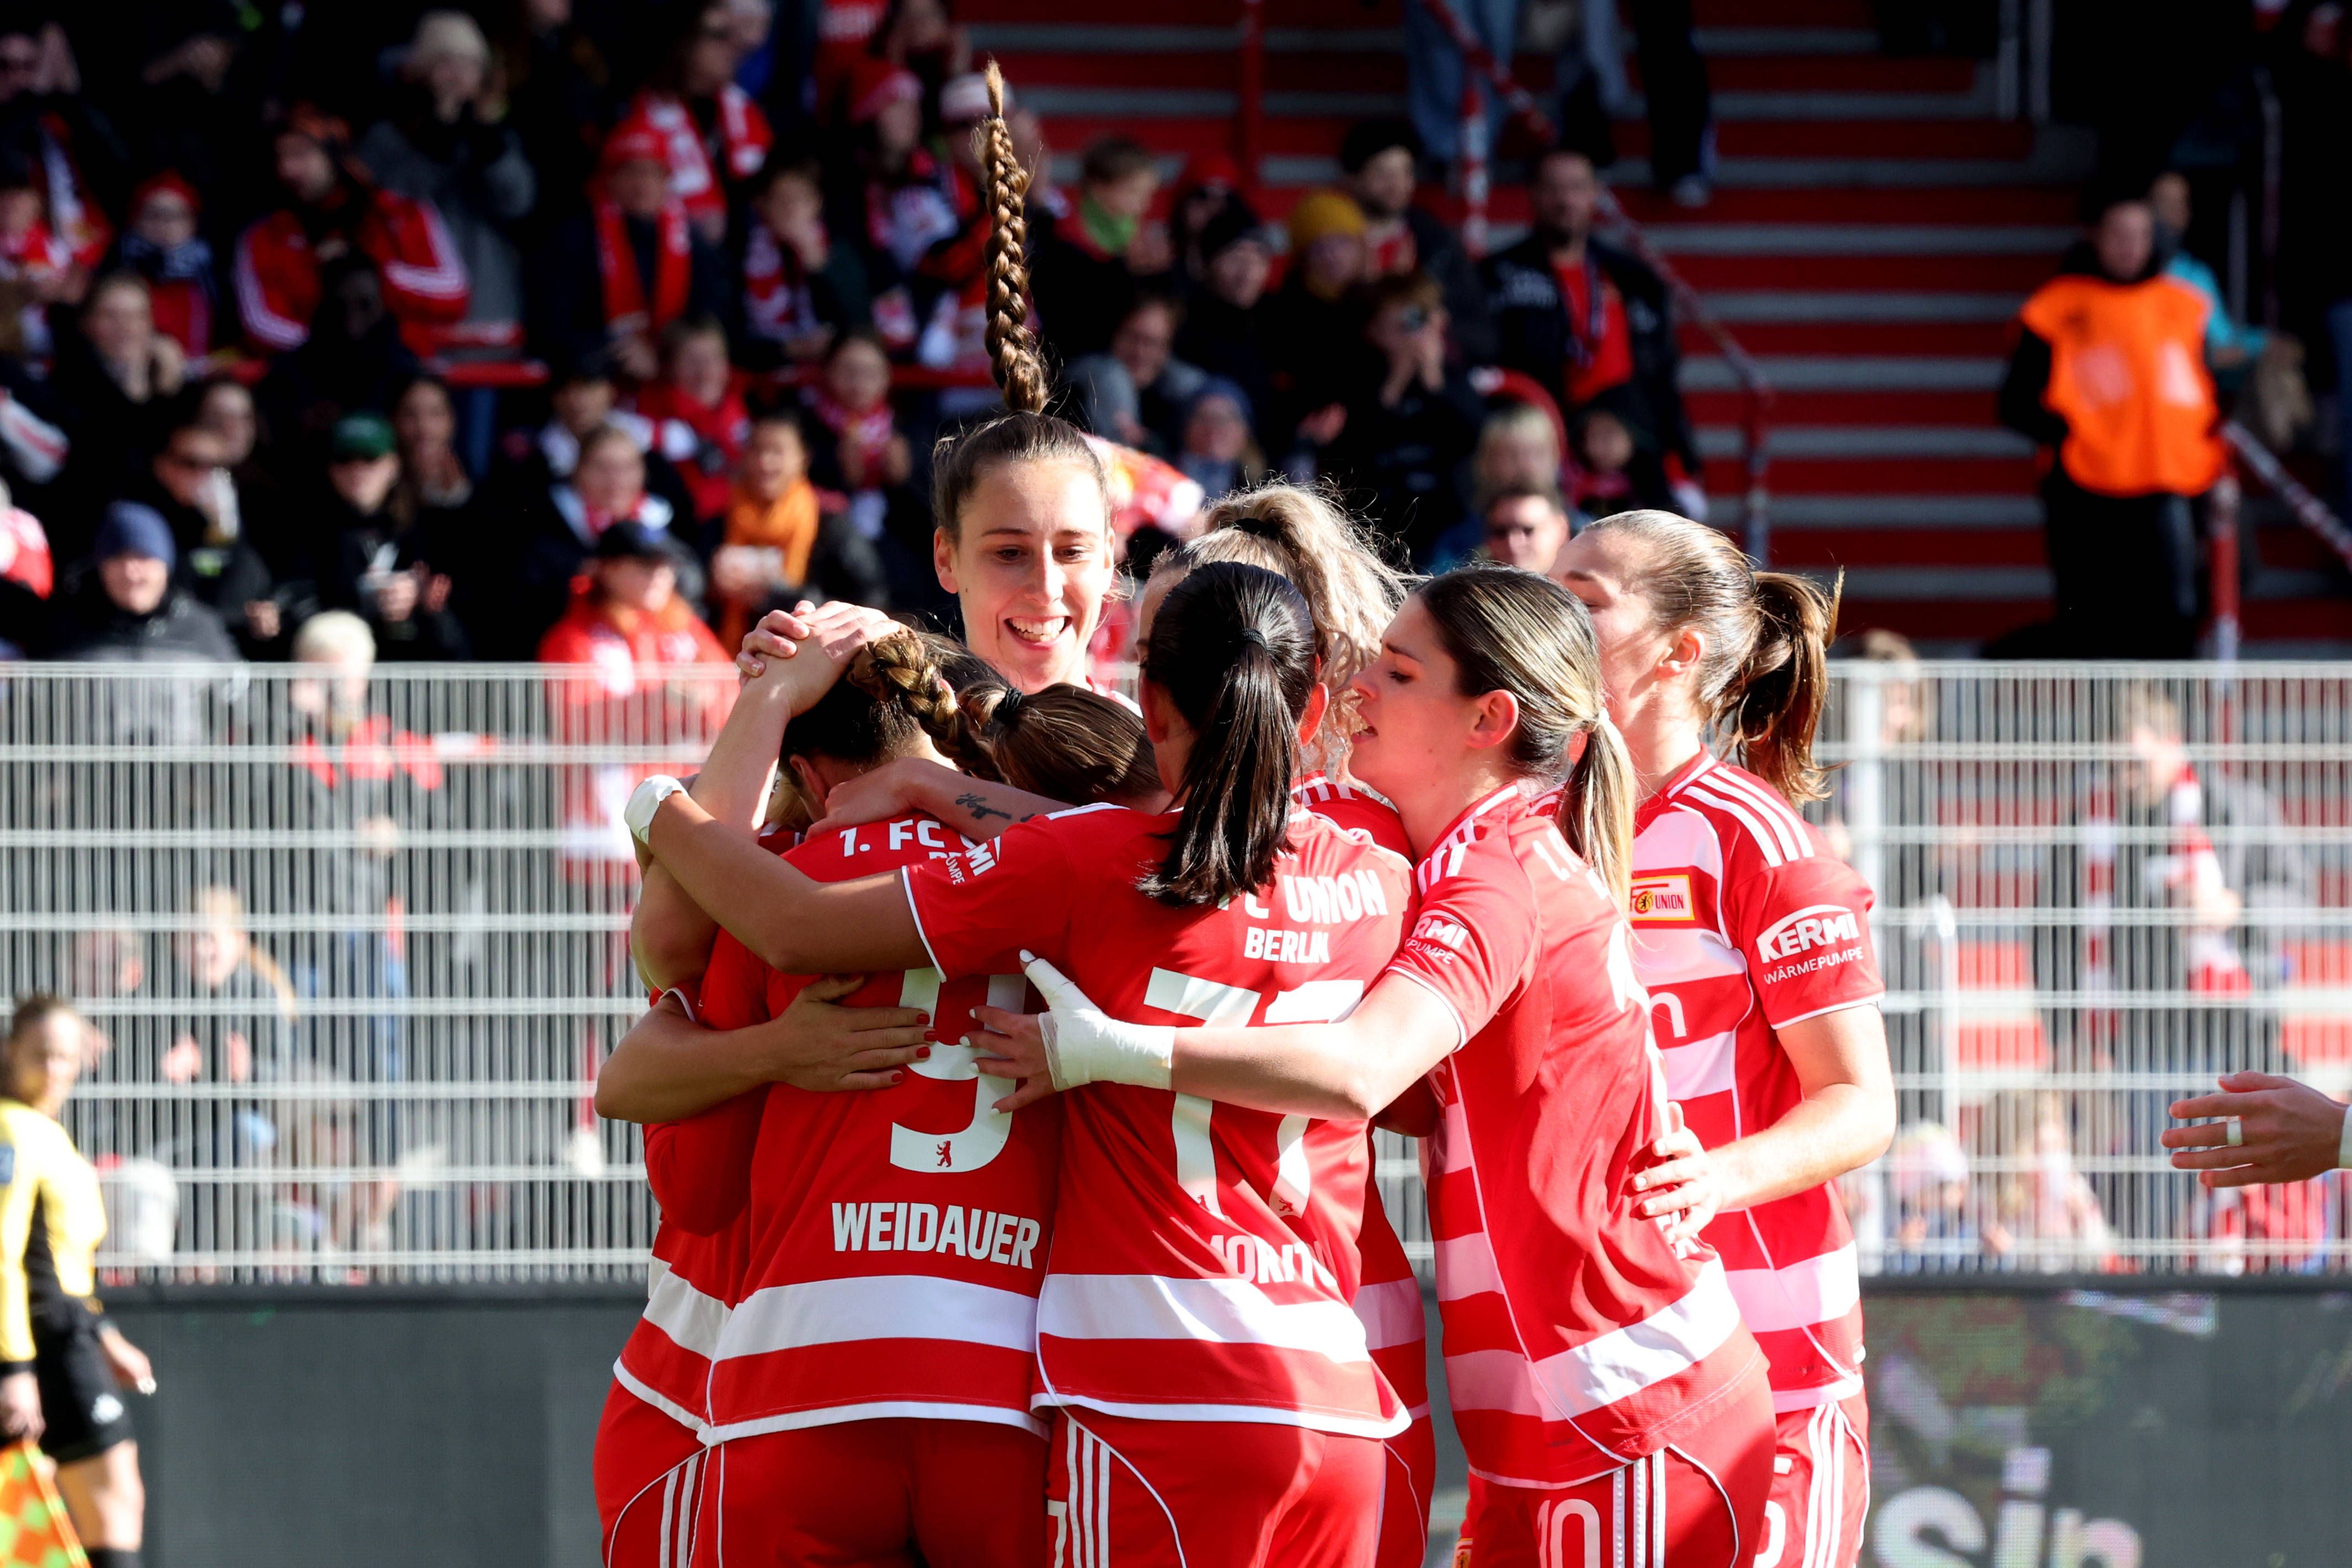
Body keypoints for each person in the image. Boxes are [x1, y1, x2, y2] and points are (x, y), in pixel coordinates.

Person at [964, 565, 1776, 1565]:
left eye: (1395, 671)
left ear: (1485, 719)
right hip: (1553, 1410)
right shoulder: (1440, 858)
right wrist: (953, 791)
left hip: (1627, 1402)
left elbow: (1357, 1069)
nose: (1356, 690)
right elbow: (1146, 831)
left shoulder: (1495, 877)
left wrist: (1104, 1050)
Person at [633, 561, 1416, 1567]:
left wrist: (663, 807)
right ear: (1313, 705)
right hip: (1320, 1386)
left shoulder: (1084, 866)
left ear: (1149, 694)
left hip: (1124, 1383)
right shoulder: (1379, 871)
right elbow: (1407, 1093)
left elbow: (780, 933)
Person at [606, 627, 1150, 1566]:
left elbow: (694, 1185)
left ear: (809, 774)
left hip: (796, 1380)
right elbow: (1144, 863)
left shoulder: (762, 893)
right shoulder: (1050, 878)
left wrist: (660, 805)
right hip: (1007, 1388)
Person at [1551, 509, 1894, 1568]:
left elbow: (1858, 1100)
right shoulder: (1533, 826)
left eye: (1585, 599)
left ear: (1678, 650)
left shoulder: (1751, 836)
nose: (1551, 616)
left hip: (1769, 1354)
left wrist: (1708, 1178)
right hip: (1593, 1353)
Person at [1997, 189, 2225, 659]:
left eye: (2141, 234)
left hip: (2169, 480)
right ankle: (2087, 723)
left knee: (2175, 611)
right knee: (2090, 618)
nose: (2130, 246)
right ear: (2094, 237)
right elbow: (2014, 403)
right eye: (2119, 234)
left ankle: (2169, 727)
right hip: (2084, 485)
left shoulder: (2184, 305)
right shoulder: (2057, 306)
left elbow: (2203, 394)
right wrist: (2070, 434)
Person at [2, 996, 151, 1568]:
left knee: (111, 1502)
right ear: (11, 1051)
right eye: (40, 1054)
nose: (54, 1068)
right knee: (112, 1499)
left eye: (65, 1055)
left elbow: (63, 1258)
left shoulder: (45, 1131)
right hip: (46, 1342)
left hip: (70, 1330)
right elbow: (6, 1253)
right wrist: (15, 1369)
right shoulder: (11, 1129)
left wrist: (106, 1333)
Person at [1484, 148, 1702, 513]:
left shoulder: (1635, 278)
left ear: (1595, 194)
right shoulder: (1496, 277)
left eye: (1576, 187)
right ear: (1533, 193)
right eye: (1553, 188)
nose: (1565, 199)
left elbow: (1661, 374)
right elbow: (1487, 367)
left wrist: (1663, 445)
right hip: (1537, 448)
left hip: (1631, 446)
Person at [354, 10, 538, 387]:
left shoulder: (495, 137)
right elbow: (398, 199)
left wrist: (485, 138)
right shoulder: (388, 136)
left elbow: (518, 200)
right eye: (445, 63)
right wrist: (438, 132)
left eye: (469, 65)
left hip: (486, 317)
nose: (456, 75)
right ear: (420, 69)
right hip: (412, 319)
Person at [233, 105, 470, 357]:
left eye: (300, 154)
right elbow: (260, 325)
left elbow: (453, 295)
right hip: (311, 381)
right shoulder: (265, 235)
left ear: (334, 155)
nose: (287, 169)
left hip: (401, 375)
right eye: (280, 157)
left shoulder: (399, 213)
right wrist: (335, 354)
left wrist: (372, 272)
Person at [539, 124, 733, 383]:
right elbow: (553, 326)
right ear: (610, 179)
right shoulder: (575, 240)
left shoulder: (694, 243)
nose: (642, 185)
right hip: (599, 384)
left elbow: (714, 318)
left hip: (675, 383)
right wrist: (619, 352)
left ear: (667, 182)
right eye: (631, 173)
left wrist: (664, 355)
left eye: (653, 174)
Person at [1320, 270, 1483, 561]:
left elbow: (1473, 436)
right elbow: (1353, 451)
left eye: (1412, 323)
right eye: (1393, 326)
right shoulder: (1356, 378)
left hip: (1447, 520)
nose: (1407, 334)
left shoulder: (1450, 377)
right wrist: (1394, 382)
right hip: (1379, 521)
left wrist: (1434, 380)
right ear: (1373, 330)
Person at [307, 412, 469, 661]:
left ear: (393, 465)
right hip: (335, 681)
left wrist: (424, 606)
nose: (357, 470)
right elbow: (297, 612)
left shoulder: (427, 533)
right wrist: (362, 602)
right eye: (345, 459)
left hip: (413, 682)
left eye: (369, 458)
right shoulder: (307, 534)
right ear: (331, 469)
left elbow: (459, 647)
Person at [609, 1, 773, 244]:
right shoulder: (638, 117)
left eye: (734, 35)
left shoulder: (745, 111)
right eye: (719, 36)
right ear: (684, 42)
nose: (734, 45)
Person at [1340, 117, 1494, 365]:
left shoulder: (1437, 243)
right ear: (1352, 180)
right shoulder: (1327, 245)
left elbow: (1480, 333)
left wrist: (1424, 330)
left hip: (1432, 383)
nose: (1397, 184)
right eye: (1382, 173)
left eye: (1406, 172)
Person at [46, 502, 239, 664]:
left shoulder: (202, 629)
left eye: (143, 557)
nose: (131, 572)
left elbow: (238, 701)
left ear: (165, 566)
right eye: (117, 558)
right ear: (101, 567)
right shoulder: (68, 630)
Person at [1029, 135, 1167, 362]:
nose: (1144, 204)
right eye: (1133, 192)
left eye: (1147, 194)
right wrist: (1127, 270)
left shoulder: (1139, 242)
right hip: (1076, 359)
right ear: (1098, 186)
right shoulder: (1063, 238)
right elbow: (1072, 318)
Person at [106, 173, 218, 361]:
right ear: (136, 219)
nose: (165, 224)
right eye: (154, 215)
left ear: (192, 222)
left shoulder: (211, 273)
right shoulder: (117, 267)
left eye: (176, 216)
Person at [1478, 480, 1570, 574]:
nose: (1513, 544)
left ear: (1562, 530)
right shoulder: (1470, 587)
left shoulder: (1582, 586)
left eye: (1528, 530)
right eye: (1501, 532)